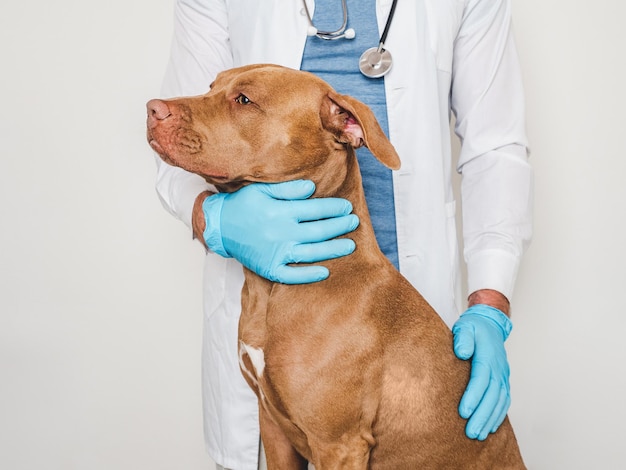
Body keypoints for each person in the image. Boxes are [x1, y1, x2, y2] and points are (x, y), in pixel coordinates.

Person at [154, 1, 533, 469]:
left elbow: (494, 147)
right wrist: (213, 218)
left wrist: (491, 306)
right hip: (259, 261)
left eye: (243, 100)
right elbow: (188, 128)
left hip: (393, 276)